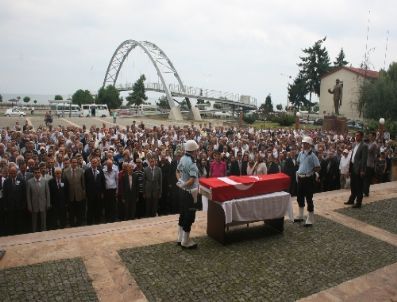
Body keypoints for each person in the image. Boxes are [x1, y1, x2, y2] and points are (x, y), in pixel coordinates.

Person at [176, 139, 200, 249]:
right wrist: (184, 184)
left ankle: (180, 238)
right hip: (190, 193)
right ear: (193, 151)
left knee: (182, 214)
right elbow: (191, 180)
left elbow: (177, 171)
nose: (197, 152)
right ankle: (185, 241)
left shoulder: (182, 158)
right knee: (189, 216)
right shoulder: (192, 164)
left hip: (182, 192)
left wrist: (180, 182)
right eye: (196, 150)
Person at [294, 136, 320, 227]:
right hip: (300, 177)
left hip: (308, 178)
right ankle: (300, 215)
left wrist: (311, 171)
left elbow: (318, 167)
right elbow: (297, 162)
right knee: (299, 196)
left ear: (309, 145)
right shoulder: (300, 153)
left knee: (309, 198)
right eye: (303, 143)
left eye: (305, 143)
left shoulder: (313, 156)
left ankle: (310, 218)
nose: (303, 145)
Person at [345, 131, 368, 208]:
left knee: (359, 186)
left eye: (358, 136)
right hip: (353, 167)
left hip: (359, 169)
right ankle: (351, 200)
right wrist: (350, 169)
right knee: (353, 185)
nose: (356, 137)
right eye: (356, 135)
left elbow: (364, 159)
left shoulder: (364, 146)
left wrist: (362, 170)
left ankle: (358, 203)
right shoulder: (354, 144)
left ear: (361, 137)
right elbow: (352, 157)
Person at [26, 166, 50, 232]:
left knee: (43, 221)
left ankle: (44, 232)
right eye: (36, 173)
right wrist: (29, 206)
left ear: (40, 173)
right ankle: (34, 232)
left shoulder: (45, 181)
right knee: (34, 221)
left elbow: (47, 193)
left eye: (38, 172)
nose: (37, 174)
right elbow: (28, 196)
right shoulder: (29, 182)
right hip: (34, 205)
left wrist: (48, 203)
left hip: (43, 204)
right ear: (33, 173)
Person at [363, 132, 378, 196]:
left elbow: (368, 150)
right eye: (369, 136)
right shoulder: (370, 143)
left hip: (370, 164)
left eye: (371, 136)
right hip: (367, 163)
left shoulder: (374, 144)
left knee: (367, 179)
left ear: (374, 137)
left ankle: (366, 192)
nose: (370, 137)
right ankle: (365, 191)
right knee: (365, 178)